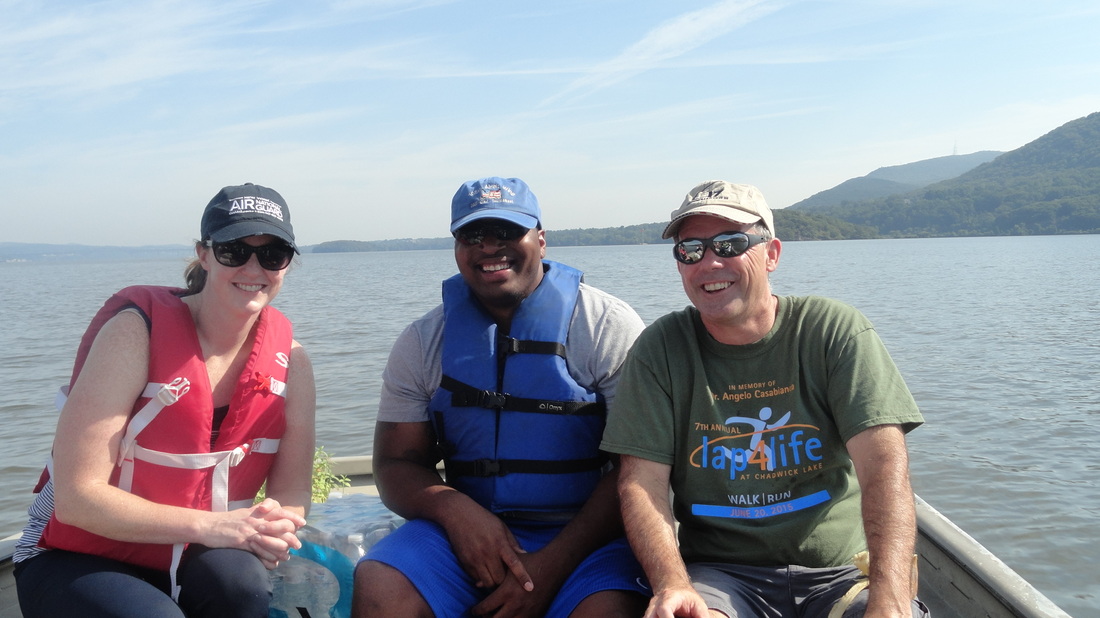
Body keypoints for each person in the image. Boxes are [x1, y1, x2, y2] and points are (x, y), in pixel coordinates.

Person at [601, 180, 930, 618]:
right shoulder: (661, 349)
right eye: (690, 250)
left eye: (730, 244)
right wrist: (672, 584)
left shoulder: (832, 331)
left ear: (772, 254)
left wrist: (889, 600)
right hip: (721, 577)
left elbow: (883, 466)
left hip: (840, 574)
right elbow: (641, 483)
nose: (709, 262)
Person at [14, 183, 317, 618]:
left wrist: (277, 525)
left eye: (273, 254)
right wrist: (212, 526)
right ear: (204, 254)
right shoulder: (134, 331)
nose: (254, 268)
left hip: (190, 546)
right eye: (234, 250)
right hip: (75, 552)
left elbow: (292, 490)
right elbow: (77, 499)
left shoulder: (293, 363)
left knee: (242, 589)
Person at [352, 177, 651, 617]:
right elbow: (395, 464)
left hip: (590, 536)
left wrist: (551, 566)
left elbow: (640, 467)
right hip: (466, 530)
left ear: (541, 239)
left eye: (507, 231)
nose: (490, 247)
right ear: (457, 247)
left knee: (606, 611)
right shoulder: (422, 341)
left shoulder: (606, 326)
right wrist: (454, 511)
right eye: (473, 235)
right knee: (381, 582)